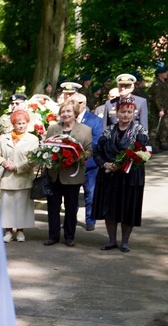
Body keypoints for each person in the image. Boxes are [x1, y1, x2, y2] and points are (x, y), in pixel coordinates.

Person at [92, 99, 149, 253]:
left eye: (129, 112)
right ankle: (111, 240)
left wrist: (125, 163)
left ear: (134, 114)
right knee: (109, 207)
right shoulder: (108, 131)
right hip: (109, 175)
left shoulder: (139, 130)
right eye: (122, 112)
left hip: (130, 177)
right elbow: (97, 153)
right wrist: (105, 164)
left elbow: (143, 153)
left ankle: (125, 242)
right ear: (116, 113)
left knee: (127, 207)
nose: (125, 115)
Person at [43, 99, 93, 247]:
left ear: (75, 113)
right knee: (53, 207)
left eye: (68, 111)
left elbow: (89, 150)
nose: (65, 114)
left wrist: (77, 156)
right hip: (54, 174)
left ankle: (69, 236)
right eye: (63, 111)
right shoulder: (53, 128)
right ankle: (53, 236)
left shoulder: (85, 130)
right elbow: (46, 147)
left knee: (71, 208)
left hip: (73, 174)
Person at [0, 109, 39, 243]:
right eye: (18, 123)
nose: (21, 126)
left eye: (24, 123)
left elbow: (33, 160)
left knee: (22, 206)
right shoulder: (4, 138)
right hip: (6, 178)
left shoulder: (33, 139)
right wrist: (4, 162)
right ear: (13, 124)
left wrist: (17, 167)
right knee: (7, 206)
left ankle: (20, 231)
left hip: (23, 178)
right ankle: (7, 231)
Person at [71, 92, 104, 231]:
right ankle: (70, 219)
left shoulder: (95, 120)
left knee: (90, 193)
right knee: (71, 194)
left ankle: (90, 219)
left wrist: (83, 154)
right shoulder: (68, 118)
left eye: (75, 102)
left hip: (89, 163)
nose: (71, 105)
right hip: (70, 164)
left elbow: (97, 141)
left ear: (83, 104)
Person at [148, 65, 168, 151]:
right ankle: (152, 145)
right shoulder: (157, 84)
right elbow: (156, 98)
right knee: (154, 128)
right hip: (157, 111)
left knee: (164, 127)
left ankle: (161, 143)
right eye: (165, 72)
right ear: (160, 74)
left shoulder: (165, 84)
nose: (167, 74)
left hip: (165, 109)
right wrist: (160, 109)